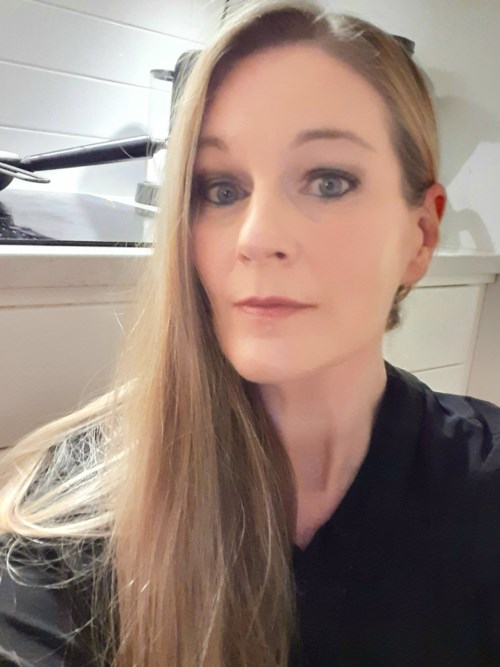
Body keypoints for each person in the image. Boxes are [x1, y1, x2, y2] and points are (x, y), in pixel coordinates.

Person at [1, 0, 499, 665]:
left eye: (328, 181)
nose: (258, 237)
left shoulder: (484, 483)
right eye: (222, 189)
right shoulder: (75, 509)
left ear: (421, 234)